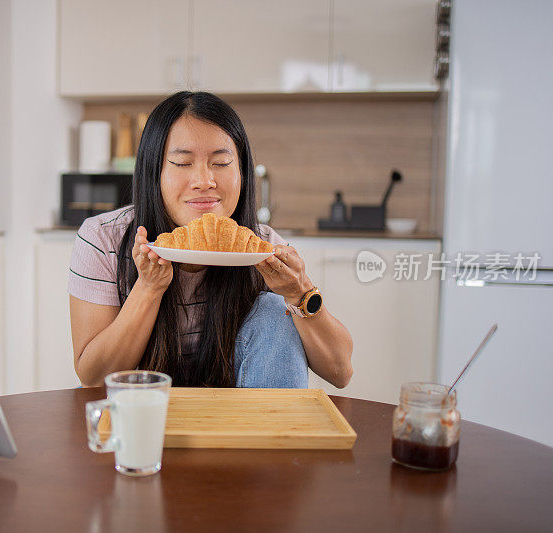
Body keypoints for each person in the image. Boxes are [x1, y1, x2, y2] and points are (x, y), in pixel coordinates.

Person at [68, 91, 352, 388]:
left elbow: (341, 373)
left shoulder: (259, 246)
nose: (204, 181)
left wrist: (299, 292)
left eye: (221, 162)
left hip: (236, 416)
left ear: (242, 171)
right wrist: (149, 288)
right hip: (143, 412)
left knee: (273, 308)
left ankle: (269, 433)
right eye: (182, 162)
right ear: (154, 172)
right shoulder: (105, 238)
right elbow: (93, 377)